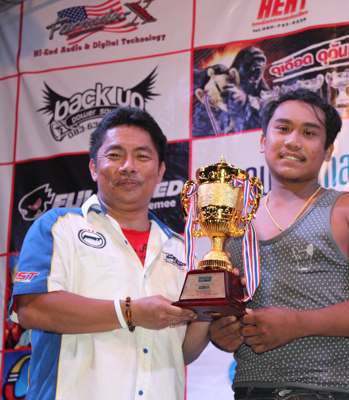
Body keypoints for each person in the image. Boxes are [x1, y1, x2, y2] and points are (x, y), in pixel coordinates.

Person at [210, 88, 349, 399]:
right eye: (283, 128)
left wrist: (298, 324)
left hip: (340, 390)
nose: (293, 141)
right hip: (252, 388)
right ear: (263, 141)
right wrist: (221, 332)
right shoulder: (231, 223)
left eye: (309, 133)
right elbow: (222, 313)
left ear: (328, 150)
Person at [12, 107, 210, 400]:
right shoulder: (58, 227)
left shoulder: (181, 250)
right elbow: (32, 309)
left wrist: (208, 312)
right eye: (115, 155)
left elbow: (179, 351)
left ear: (160, 171)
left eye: (142, 156)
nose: (128, 166)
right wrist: (131, 312)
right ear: (94, 167)